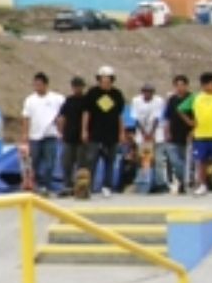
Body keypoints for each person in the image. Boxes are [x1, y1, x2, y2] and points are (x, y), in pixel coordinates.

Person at [78, 66, 126, 196]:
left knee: (110, 160)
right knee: (91, 160)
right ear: (98, 79)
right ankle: (89, 186)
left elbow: (120, 115)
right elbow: (86, 113)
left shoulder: (117, 94)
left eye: (108, 79)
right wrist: (84, 130)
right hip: (95, 132)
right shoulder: (92, 93)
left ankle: (107, 186)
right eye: (102, 79)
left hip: (112, 132)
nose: (105, 82)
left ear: (112, 80)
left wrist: (122, 133)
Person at [21, 72, 63, 196]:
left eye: (39, 84)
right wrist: (25, 134)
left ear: (45, 85)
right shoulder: (30, 100)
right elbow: (26, 118)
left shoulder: (57, 98)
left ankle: (46, 186)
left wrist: (61, 127)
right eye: (35, 84)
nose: (37, 87)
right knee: (34, 163)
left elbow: (64, 114)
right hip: (35, 136)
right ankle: (36, 185)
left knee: (50, 163)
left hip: (50, 134)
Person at [131, 82, 168, 194]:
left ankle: (160, 184)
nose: (147, 94)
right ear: (142, 92)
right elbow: (136, 118)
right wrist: (144, 134)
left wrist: (151, 134)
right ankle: (146, 184)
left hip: (156, 133)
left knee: (159, 160)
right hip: (142, 135)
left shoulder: (158, 101)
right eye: (145, 92)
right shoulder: (136, 100)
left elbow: (157, 118)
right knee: (145, 161)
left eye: (150, 92)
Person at [56, 76, 87, 196]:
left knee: (81, 164)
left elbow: (87, 116)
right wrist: (60, 131)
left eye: (79, 86)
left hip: (81, 138)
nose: (77, 88)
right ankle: (67, 186)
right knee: (66, 163)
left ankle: (80, 187)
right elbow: (62, 117)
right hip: (68, 136)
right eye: (75, 86)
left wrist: (85, 132)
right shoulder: (68, 100)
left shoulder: (86, 101)